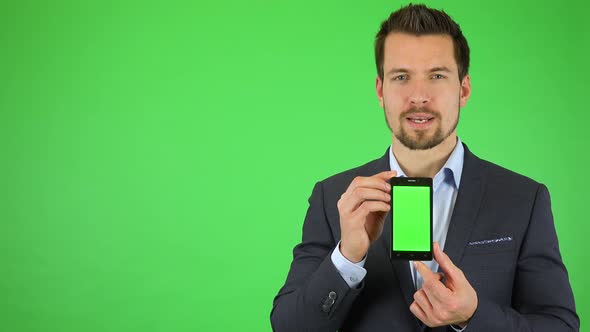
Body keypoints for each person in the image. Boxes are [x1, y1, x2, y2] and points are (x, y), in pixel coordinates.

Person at [270, 3, 579, 332]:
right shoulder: (334, 197)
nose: (419, 96)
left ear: (463, 90)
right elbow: (289, 327)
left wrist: (473, 315)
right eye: (401, 77)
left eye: (437, 76)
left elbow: (560, 326)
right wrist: (348, 256)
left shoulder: (524, 199)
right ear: (380, 91)